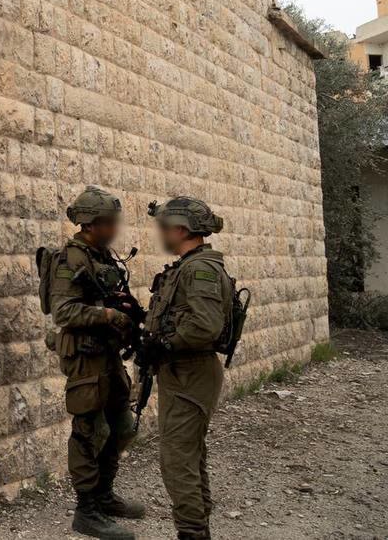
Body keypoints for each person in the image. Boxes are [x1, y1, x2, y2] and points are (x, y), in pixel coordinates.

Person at [49, 187, 147, 540]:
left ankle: (104, 496)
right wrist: (105, 314)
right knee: (89, 432)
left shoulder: (103, 256)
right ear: (91, 224)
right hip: (85, 358)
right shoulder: (70, 261)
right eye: (109, 222)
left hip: (107, 355)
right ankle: (86, 511)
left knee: (121, 425)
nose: (115, 227)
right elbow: (63, 312)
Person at [144, 197, 234, 540]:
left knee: (178, 460)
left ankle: (193, 532)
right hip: (182, 373)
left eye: (165, 228)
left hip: (191, 373)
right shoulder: (188, 266)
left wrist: (164, 344)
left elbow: (205, 327)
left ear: (181, 229)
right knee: (188, 455)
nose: (162, 234)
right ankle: (199, 528)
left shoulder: (199, 270)